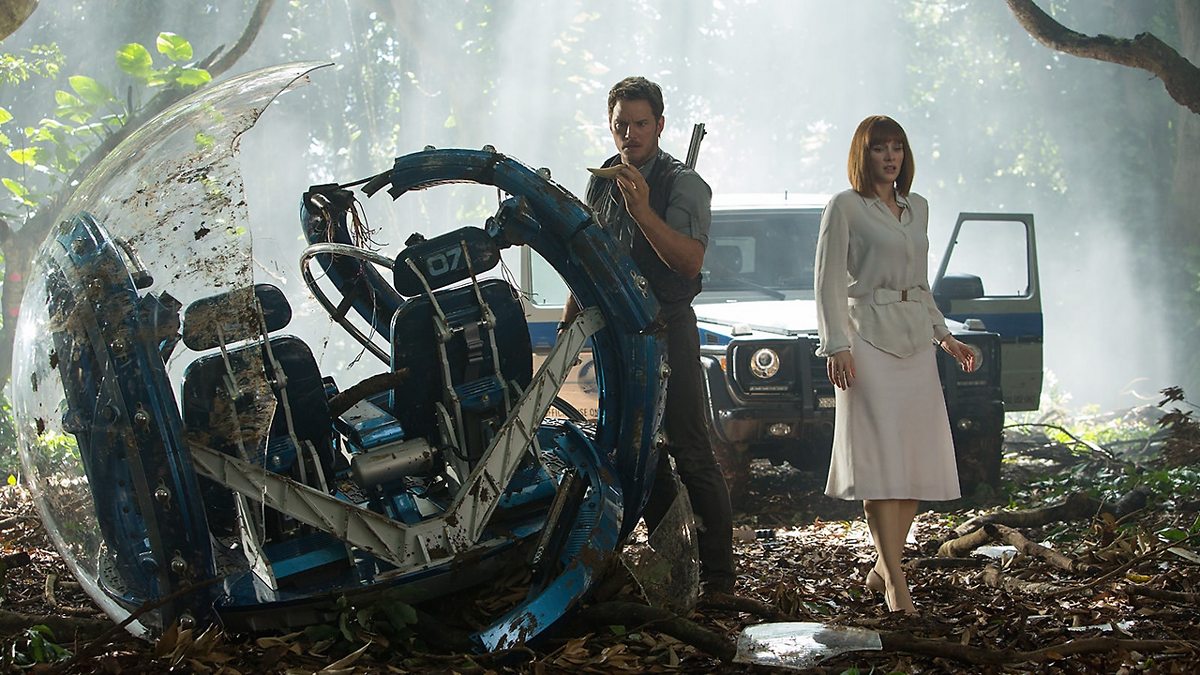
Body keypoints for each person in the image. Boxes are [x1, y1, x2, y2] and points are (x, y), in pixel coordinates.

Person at [558, 76, 735, 595]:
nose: (630, 134)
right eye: (621, 125)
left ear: (659, 125)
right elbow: (585, 258)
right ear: (610, 126)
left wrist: (642, 211)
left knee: (691, 449)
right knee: (635, 451)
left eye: (640, 124)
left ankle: (720, 578)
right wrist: (568, 327)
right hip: (616, 335)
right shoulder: (601, 182)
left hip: (667, 328)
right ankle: (675, 564)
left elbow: (689, 261)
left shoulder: (683, 184)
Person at [814, 115, 978, 614]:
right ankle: (895, 583)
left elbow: (920, 284)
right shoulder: (845, 206)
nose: (890, 157)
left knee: (913, 464)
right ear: (862, 155)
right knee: (881, 466)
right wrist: (835, 345)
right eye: (879, 148)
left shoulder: (917, 207)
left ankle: (883, 565)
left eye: (897, 148)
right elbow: (826, 281)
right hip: (865, 342)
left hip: (915, 343)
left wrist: (945, 337)